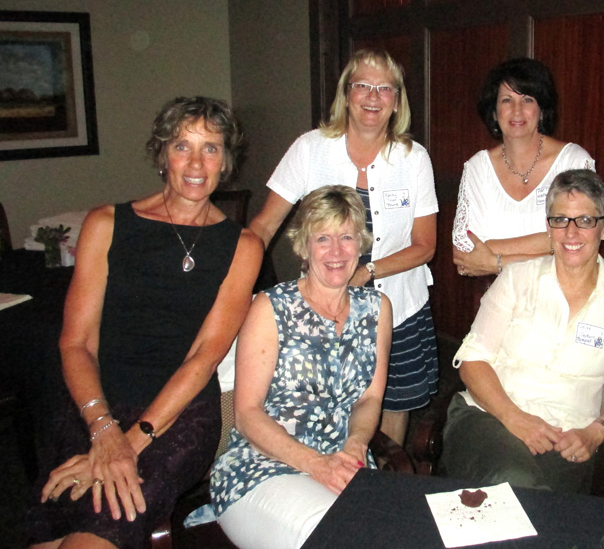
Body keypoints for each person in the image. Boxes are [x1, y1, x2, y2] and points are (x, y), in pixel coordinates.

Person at [28, 97, 263, 549]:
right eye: (182, 146)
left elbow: (204, 358)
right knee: (57, 515)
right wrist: (102, 429)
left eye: (211, 148)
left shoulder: (244, 246)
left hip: (178, 416)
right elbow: (76, 343)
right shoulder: (105, 224)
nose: (196, 163)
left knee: (102, 523)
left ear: (226, 162)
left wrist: (130, 442)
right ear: (162, 154)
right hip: (92, 403)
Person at [249, 48, 438, 445]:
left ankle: (380, 476)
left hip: (399, 304)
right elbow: (264, 225)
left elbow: (425, 246)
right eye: (362, 85)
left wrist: (367, 273)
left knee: (390, 406)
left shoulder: (413, 158)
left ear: (397, 101)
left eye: (385, 88)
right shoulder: (311, 148)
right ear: (346, 93)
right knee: (322, 404)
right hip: (322, 305)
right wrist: (236, 284)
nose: (373, 96)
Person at [441, 169, 604, 493]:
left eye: (585, 220)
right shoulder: (516, 278)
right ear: (548, 227)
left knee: (543, 503)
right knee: (516, 480)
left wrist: (596, 433)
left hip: (568, 440)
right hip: (488, 418)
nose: (571, 232)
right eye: (560, 220)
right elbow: (473, 363)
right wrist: (515, 418)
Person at [210, 185, 392, 548]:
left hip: (344, 464)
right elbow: (246, 415)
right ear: (303, 247)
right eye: (323, 238)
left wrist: (356, 445)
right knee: (339, 536)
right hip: (262, 467)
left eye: (347, 237)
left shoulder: (377, 308)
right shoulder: (270, 307)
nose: (337, 251)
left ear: (361, 243)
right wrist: (316, 464)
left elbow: (370, 398)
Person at [452, 57, 595, 277]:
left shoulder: (573, 162)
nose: (516, 110)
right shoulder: (478, 168)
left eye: (527, 99)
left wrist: (496, 261)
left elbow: (582, 239)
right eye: (507, 100)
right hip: (498, 295)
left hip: (563, 292)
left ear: (541, 110)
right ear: (494, 112)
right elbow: (464, 255)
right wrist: (551, 242)